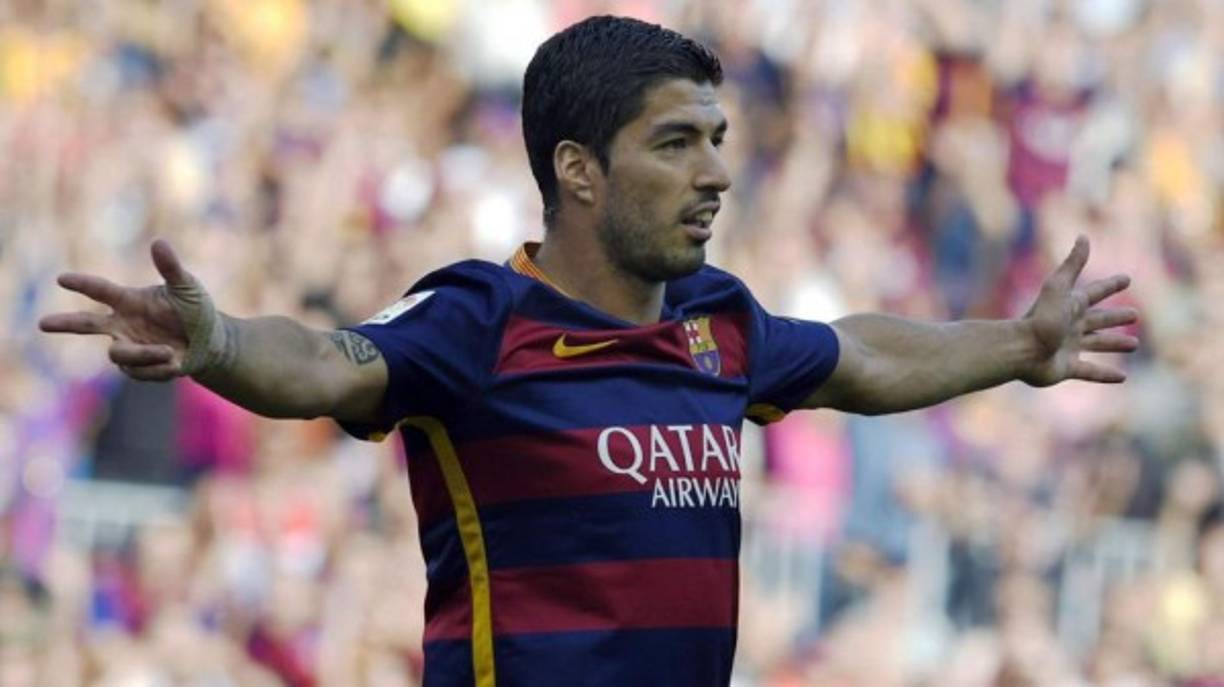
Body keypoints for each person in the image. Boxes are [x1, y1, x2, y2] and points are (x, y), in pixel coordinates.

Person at [40, 15, 1138, 687]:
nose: (714, 172)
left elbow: (861, 358)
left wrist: (1017, 343)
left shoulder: (722, 325)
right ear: (577, 170)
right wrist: (220, 341)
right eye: (675, 143)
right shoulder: (478, 319)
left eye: (717, 140)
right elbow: (326, 364)